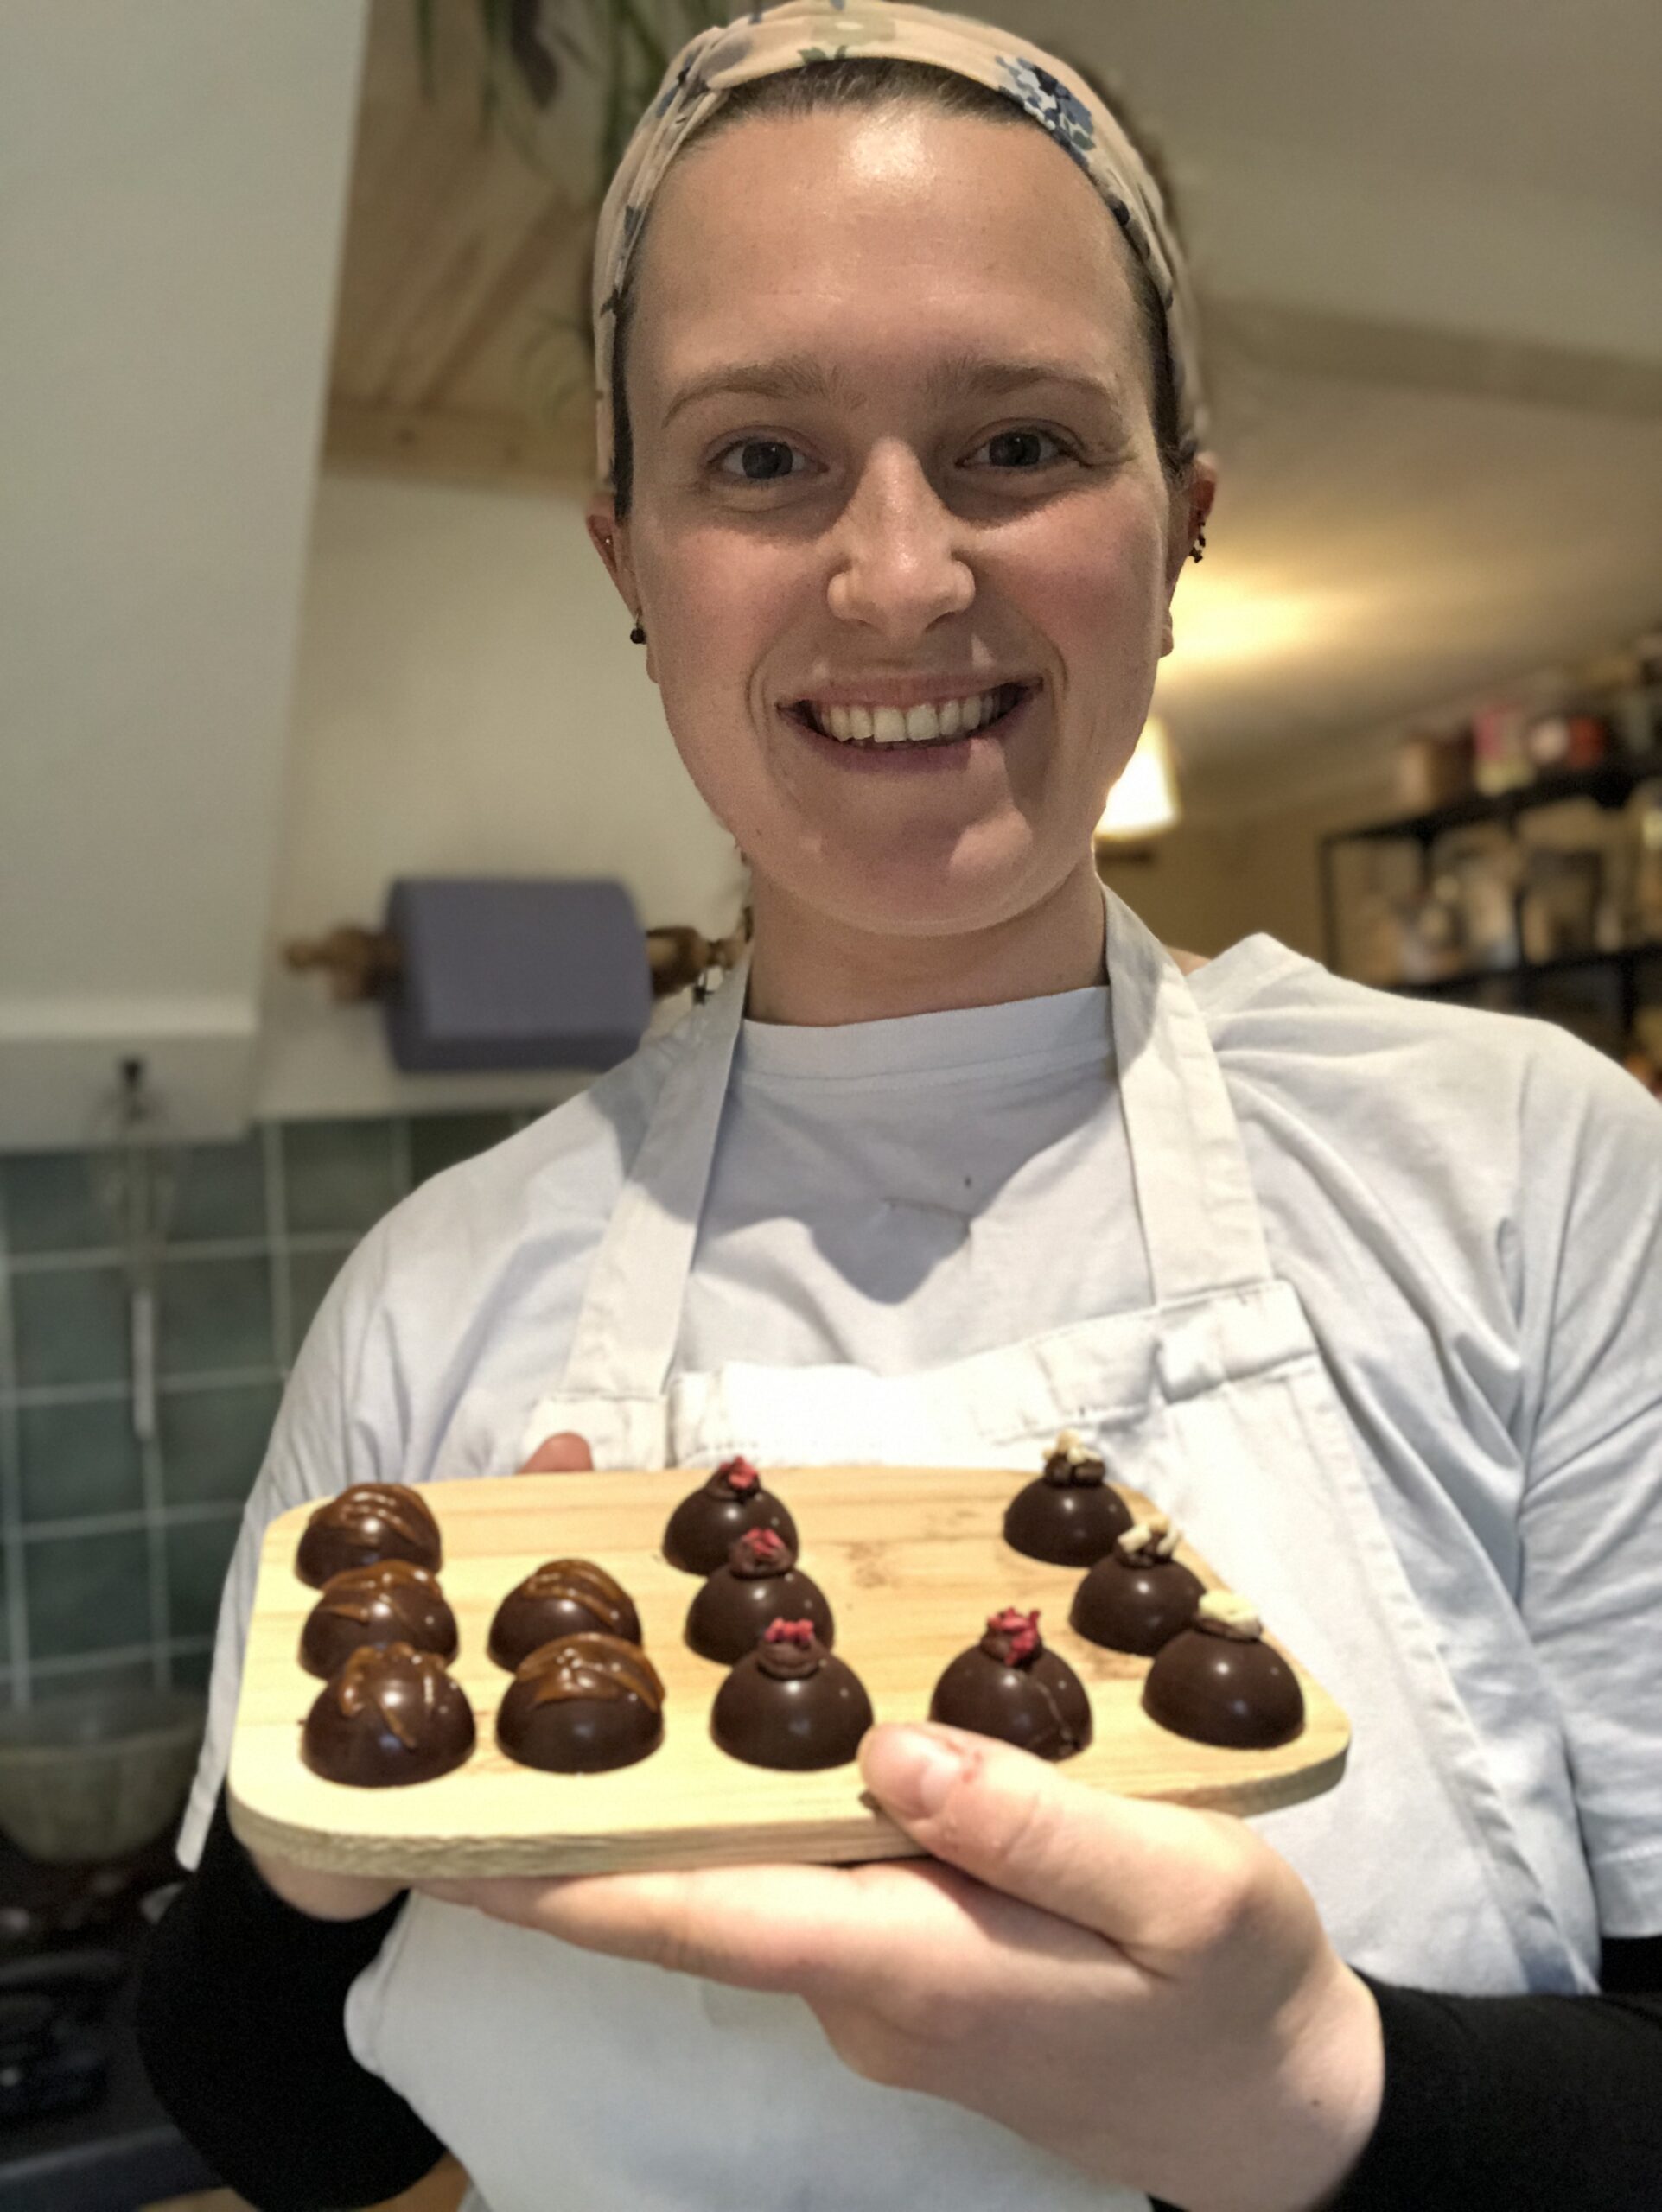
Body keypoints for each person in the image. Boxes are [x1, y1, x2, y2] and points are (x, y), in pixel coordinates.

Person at [137, 7, 1662, 2209]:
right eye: (757, 459)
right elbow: (277, 2108)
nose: (898, 576)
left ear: (1178, 525)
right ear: (629, 564)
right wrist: (314, 1846)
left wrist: (1314, 2091)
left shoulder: (1526, 1173)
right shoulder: (436, 1297)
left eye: (1018, 442)